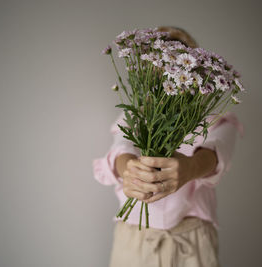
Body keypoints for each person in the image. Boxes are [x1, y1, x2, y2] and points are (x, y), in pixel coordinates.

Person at [92, 26, 245, 267]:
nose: (169, 69)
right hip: (134, 240)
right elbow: (121, 148)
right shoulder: (135, 116)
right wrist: (129, 170)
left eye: (179, 58)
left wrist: (191, 167)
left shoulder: (216, 120)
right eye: (163, 57)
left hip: (192, 244)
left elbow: (218, 152)